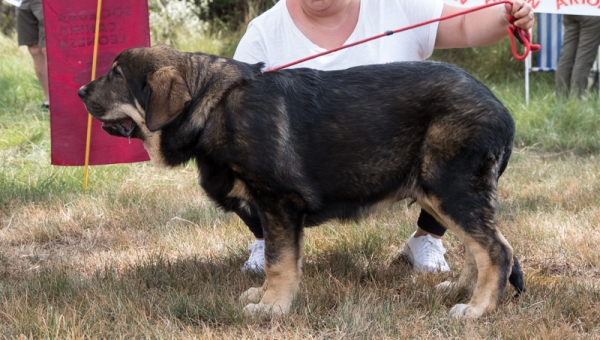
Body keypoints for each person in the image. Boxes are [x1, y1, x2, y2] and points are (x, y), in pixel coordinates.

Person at [233, 0, 534, 275]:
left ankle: (428, 238)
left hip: (396, 155)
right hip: (308, 166)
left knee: (459, 146)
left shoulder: (396, 4)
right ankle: (266, 238)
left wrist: (505, 16)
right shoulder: (264, 31)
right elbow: (233, 112)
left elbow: (465, 25)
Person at [555, 15, 600, 99]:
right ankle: (576, 101)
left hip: (571, 8)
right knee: (583, 59)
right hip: (592, 11)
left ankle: (560, 98)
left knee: (567, 56)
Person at [16, 0, 50, 109]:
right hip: (21, 2)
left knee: (48, 48)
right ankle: (48, 102)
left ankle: (60, 100)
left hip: (45, 2)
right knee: (34, 49)